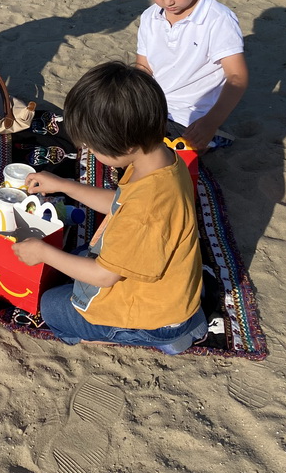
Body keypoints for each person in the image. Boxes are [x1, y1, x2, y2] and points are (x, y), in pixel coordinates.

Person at [13, 62, 207, 354]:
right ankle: (181, 321)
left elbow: (105, 276)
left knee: (51, 307)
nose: (91, 152)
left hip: (157, 317)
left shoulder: (146, 211)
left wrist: (43, 252)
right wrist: (64, 185)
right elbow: (119, 203)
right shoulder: (158, 160)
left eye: (95, 148)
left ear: (126, 146)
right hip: (171, 293)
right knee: (77, 259)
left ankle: (162, 336)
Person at [132, 0, 248, 151]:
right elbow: (143, 67)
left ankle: (215, 137)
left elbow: (237, 77)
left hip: (191, 118)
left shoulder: (217, 19)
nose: (167, 2)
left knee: (156, 153)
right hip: (153, 108)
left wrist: (210, 122)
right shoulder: (150, 17)